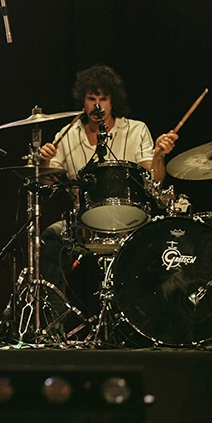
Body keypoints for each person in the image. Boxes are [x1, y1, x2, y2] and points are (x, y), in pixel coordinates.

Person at [38, 64, 178, 290]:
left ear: (113, 101)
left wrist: (159, 156)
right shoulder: (67, 135)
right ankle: (56, 319)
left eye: (103, 99)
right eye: (91, 98)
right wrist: (45, 160)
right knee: (50, 238)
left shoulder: (135, 130)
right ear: (82, 101)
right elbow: (46, 184)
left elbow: (155, 181)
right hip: (83, 226)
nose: (97, 106)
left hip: (131, 222)